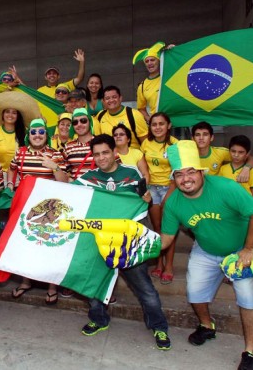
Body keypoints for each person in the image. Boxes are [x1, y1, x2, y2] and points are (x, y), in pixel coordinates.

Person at [159, 140, 253, 370]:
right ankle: (207, 326)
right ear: (174, 178)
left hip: (240, 251)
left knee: (248, 298)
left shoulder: (225, 187)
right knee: (194, 293)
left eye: (191, 172)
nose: (186, 179)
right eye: (179, 174)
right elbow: (166, 239)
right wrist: (137, 248)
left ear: (201, 172)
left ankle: (250, 353)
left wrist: (249, 249)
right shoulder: (173, 203)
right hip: (205, 251)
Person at [71, 134, 171, 350]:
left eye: (105, 152)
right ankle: (98, 319)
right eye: (96, 154)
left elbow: (144, 202)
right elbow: (69, 195)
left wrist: (148, 199)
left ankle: (159, 325)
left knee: (145, 289)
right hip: (99, 241)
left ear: (114, 152)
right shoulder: (87, 177)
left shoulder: (132, 173)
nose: (101, 158)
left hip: (128, 242)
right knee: (95, 284)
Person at [7, 118, 68, 304]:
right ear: (29, 135)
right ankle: (26, 281)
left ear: (46, 135)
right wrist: (10, 183)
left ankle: (51, 286)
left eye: (41, 132)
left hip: (49, 209)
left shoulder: (55, 153)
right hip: (26, 207)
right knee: (26, 244)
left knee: (49, 246)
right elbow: (11, 169)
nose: (37, 135)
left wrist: (54, 167)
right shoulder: (21, 152)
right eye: (34, 132)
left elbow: (64, 181)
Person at [141, 112, 179, 284]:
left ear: (169, 125)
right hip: (152, 189)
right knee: (157, 227)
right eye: (154, 124)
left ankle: (169, 266)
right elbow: (144, 168)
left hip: (171, 187)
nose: (157, 127)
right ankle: (158, 263)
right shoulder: (146, 143)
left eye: (161, 124)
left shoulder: (175, 145)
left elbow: (178, 170)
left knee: (168, 228)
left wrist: (170, 192)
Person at [0, 91, 39, 173]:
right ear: (3, 114)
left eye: (14, 113)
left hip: (22, 174)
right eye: (7, 112)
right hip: (0, 174)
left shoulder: (26, 132)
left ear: (18, 116)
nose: (10, 115)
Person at [96, 85, 148, 150]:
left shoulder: (134, 114)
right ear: (103, 101)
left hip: (132, 157)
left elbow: (145, 142)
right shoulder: (100, 115)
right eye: (107, 98)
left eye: (114, 97)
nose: (111, 100)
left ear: (120, 98)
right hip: (110, 157)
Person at [219, 135, 253, 201]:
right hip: (228, 206)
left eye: (241, 152)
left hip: (245, 207)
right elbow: (219, 189)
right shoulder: (223, 169)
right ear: (229, 151)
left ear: (248, 153)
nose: (236, 155)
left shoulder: (251, 171)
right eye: (233, 151)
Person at [132, 42, 166, 123]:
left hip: (175, 123)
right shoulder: (142, 86)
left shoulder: (167, 77)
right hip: (158, 124)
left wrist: (172, 51)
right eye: (147, 61)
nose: (149, 63)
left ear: (158, 61)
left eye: (152, 60)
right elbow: (141, 108)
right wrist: (148, 119)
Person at [63, 108, 96, 181]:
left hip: (98, 190)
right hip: (77, 190)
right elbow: (64, 172)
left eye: (83, 121)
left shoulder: (102, 143)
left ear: (90, 122)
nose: (79, 124)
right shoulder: (68, 147)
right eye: (75, 122)